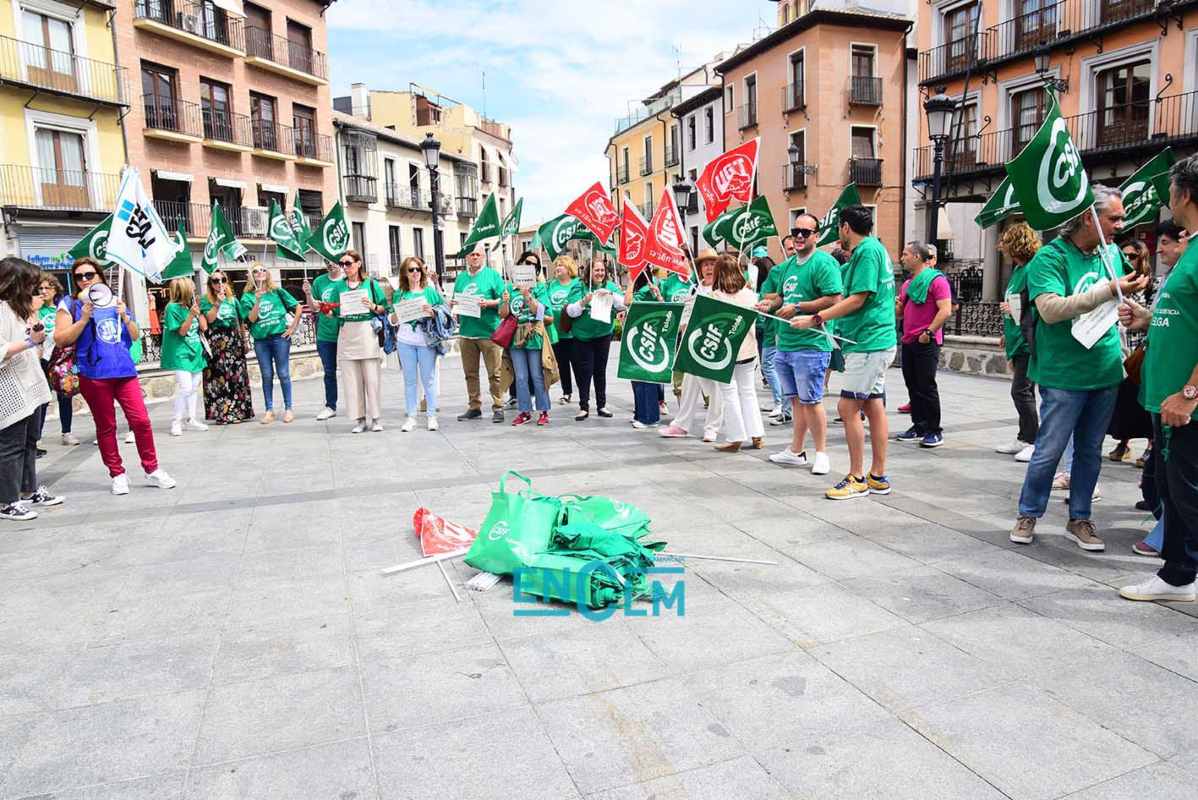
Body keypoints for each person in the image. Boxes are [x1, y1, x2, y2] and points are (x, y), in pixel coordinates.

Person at [1008, 185, 1149, 552]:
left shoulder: (1111, 254)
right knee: (1049, 450)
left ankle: (1080, 518)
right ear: (1090, 218)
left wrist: (1135, 311)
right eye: (1113, 217)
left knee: (1089, 451)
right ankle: (1028, 512)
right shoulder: (1049, 258)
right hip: (1062, 374)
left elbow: (1118, 300)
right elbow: (1050, 309)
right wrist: (1107, 290)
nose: (1121, 223)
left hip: (1104, 370)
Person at [1119, 155, 1198, 602]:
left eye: (1171, 189)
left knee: (1186, 493)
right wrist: (1149, 317)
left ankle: (1180, 574)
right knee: (1173, 490)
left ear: (1184, 193)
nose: (1168, 196)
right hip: (1164, 396)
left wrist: (1189, 394)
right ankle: (1178, 575)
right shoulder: (1192, 252)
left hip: (1184, 403)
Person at [792, 205, 897, 500]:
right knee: (873, 406)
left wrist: (816, 318)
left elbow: (858, 299)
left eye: (839, 228)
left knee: (847, 408)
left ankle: (857, 477)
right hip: (873, 341)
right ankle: (877, 476)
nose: (839, 233)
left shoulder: (866, 252)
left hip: (869, 343)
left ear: (846, 227)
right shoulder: (876, 250)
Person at [54, 257, 174, 494]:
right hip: (93, 374)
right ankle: (117, 473)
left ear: (99, 276)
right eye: (79, 277)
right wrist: (84, 319)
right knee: (106, 425)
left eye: (90, 275)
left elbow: (136, 335)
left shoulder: (114, 300)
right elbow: (61, 338)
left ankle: (152, 469)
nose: (85, 280)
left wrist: (126, 316)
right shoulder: (70, 304)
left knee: (141, 420)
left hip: (124, 371)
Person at [759, 213, 844, 474]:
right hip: (786, 342)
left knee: (812, 401)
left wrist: (798, 307)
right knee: (796, 400)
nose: (798, 236)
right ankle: (796, 450)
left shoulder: (824, 263)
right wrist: (769, 304)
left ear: (816, 236)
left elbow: (834, 299)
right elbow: (780, 297)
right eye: (795, 230)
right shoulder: (787, 266)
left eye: (805, 232)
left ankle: (821, 453)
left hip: (811, 344)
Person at [0, 257, 62, 520]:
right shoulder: (1, 310)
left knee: (28, 442)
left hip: (30, 387)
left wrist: (34, 331)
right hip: (11, 389)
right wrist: (29, 342)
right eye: (32, 284)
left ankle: (27, 489)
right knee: (10, 446)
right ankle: (7, 501)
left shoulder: (17, 309)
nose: (37, 290)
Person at [660, 249, 724, 440]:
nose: (709, 268)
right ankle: (681, 424)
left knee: (716, 386)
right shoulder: (694, 288)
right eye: (705, 264)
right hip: (694, 342)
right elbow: (686, 315)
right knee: (689, 381)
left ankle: (712, 427)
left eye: (712, 264)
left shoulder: (723, 287)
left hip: (716, 343)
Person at [895, 241, 953, 448]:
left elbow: (945, 310)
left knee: (926, 385)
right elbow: (900, 314)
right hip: (909, 339)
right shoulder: (907, 284)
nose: (902, 258)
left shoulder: (937, 281)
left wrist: (929, 332)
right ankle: (918, 426)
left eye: (905, 254)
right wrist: (899, 306)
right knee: (913, 385)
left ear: (917, 257)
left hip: (926, 341)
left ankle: (934, 430)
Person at [324, 250, 388, 433]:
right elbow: (334, 312)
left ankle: (376, 418)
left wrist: (373, 306)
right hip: (347, 333)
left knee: (372, 379)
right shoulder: (338, 287)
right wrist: (328, 312)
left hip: (367, 332)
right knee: (351, 380)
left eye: (348, 263)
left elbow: (385, 307)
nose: (345, 267)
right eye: (342, 264)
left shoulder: (371, 284)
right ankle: (359, 419)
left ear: (358, 264)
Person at [995, 223, 1041, 462]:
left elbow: (1033, 305)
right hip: (1017, 338)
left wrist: (1014, 310)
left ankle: (1034, 440)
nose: (1001, 247)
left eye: (1005, 243)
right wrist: (1007, 332)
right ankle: (1024, 437)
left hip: (1027, 342)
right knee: (1021, 391)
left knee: (1022, 391)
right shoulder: (1017, 270)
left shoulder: (1032, 269)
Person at [1106, 238, 1153, 464]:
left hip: (1140, 351)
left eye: (1132, 256)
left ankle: (1150, 444)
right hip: (1119, 350)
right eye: (1124, 256)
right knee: (1123, 402)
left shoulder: (1152, 285)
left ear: (1142, 258)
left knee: (1143, 402)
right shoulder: (1118, 283)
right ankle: (1123, 442)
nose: (1127, 260)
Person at [711, 254, 764, 452]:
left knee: (729, 393)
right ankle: (757, 433)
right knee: (748, 392)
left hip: (726, 351)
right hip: (748, 348)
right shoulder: (750, 295)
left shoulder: (715, 296)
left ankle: (736, 437)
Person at [240, 262, 302, 425]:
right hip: (261, 340)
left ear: (267, 274)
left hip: (279, 337)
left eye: (262, 270)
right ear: (251, 276)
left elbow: (297, 307)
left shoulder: (277, 291)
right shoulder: (247, 296)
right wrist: (257, 301)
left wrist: (293, 327)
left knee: (283, 373)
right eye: (255, 271)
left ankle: (288, 408)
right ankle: (269, 410)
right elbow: (251, 319)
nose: (259, 272)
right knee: (266, 374)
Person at [566, 253, 624, 421]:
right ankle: (584, 406)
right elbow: (570, 311)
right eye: (596, 270)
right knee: (585, 371)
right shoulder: (579, 286)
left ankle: (602, 405)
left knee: (600, 370)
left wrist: (611, 296)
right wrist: (584, 302)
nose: (599, 273)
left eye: (602, 270)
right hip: (583, 336)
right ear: (589, 272)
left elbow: (623, 304)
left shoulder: (611, 286)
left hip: (603, 334)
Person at [453, 242, 505, 423]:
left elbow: (505, 299)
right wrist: (454, 304)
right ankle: (474, 406)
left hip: (489, 332)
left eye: (477, 254)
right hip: (467, 332)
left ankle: (498, 406)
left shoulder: (493, 275)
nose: (474, 257)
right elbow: (456, 299)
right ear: (466, 257)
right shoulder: (460, 279)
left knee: (495, 373)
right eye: (471, 255)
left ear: (483, 256)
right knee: (470, 373)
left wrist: (489, 303)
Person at [392, 256, 442, 432]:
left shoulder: (429, 291)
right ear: (405, 273)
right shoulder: (399, 293)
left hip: (426, 340)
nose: (415, 273)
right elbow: (392, 319)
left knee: (428, 379)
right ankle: (411, 416)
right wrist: (398, 313)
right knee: (410, 380)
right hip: (405, 340)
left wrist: (433, 312)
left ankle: (431, 416)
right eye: (411, 270)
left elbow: (444, 311)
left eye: (418, 269)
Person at [200, 269, 253, 424]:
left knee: (236, 376)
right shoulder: (205, 300)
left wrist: (245, 341)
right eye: (216, 281)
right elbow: (208, 320)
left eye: (222, 280)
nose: (220, 283)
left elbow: (240, 322)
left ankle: (238, 412)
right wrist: (217, 303)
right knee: (219, 377)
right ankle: (223, 413)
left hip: (233, 340)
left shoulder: (233, 300)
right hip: (216, 341)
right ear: (210, 284)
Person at [501, 267, 553, 427]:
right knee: (521, 376)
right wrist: (505, 301)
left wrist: (528, 296)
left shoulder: (539, 289)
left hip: (533, 337)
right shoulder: (509, 289)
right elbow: (503, 315)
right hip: (516, 338)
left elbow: (541, 314)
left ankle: (543, 410)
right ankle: (524, 411)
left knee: (537, 375)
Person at [160, 277, 209, 437]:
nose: (195, 291)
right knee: (186, 388)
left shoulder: (192, 306)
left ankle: (192, 418)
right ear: (185, 290)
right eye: (192, 288)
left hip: (195, 351)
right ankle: (176, 421)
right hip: (181, 353)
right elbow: (181, 331)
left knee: (194, 388)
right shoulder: (172, 308)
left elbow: (203, 327)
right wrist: (190, 316)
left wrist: (198, 313)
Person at [35, 272, 77, 446]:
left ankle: (66, 432)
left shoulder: (62, 308)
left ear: (55, 289)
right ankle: (37, 436)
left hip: (61, 357)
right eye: (40, 288)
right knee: (43, 398)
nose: (44, 291)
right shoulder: (34, 309)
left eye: (47, 287)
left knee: (65, 395)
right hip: (42, 358)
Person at [303, 258, 344, 420]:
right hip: (325, 335)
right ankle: (330, 406)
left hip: (346, 333)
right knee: (329, 372)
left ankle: (359, 405)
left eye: (333, 260)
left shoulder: (348, 281)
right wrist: (307, 294)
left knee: (353, 371)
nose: (330, 263)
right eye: (326, 260)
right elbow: (313, 308)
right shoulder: (319, 282)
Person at [625, 268, 666, 429]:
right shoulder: (644, 288)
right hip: (640, 336)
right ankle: (641, 414)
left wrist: (630, 281)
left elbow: (627, 301)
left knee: (645, 378)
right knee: (637, 377)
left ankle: (649, 417)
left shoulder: (646, 289)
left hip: (648, 335)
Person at [547, 255, 580, 405]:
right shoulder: (551, 285)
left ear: (569, 268)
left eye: (561, 265)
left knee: (578, 364)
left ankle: (583, 392)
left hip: (573, 333)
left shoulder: (576, 284)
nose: (557, 268)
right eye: (557, 265)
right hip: (556, 332)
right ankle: (567, 392)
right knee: (562, 365)